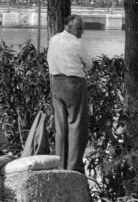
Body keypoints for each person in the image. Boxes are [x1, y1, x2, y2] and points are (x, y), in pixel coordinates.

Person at [47, 14, 93, 173]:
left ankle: (60, 164)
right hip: (74, 84)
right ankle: (73, 167)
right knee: (76, 125)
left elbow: (49, 59)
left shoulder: (53, 40)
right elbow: (89, 64)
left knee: (60, 127)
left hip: (57, 84)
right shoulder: (77, 43)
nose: (82, 32)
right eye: (79, 28)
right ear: (68, 26)